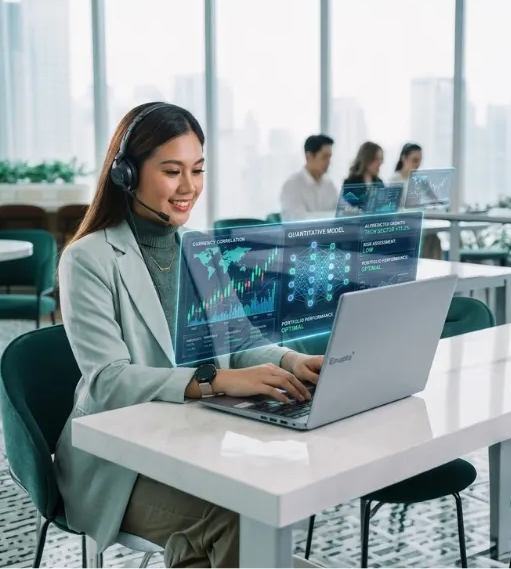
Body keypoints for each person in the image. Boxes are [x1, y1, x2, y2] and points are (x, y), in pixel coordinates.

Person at [57, 102, 324, 568]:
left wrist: (288, 362)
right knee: (238, 521)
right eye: (172, 171)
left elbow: (239, 339)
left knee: (264, 515)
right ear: (126, 174)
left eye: (198, 170)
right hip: (122, 466)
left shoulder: (199, 251)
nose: (189, 188)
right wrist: (213, 382)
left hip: (195, 443)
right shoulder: (88, 260)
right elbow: (107, 381)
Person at [279, 134, 338, 221]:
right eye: (324, 157)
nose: (329, 162)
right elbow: (298, 220)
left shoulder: (329, 184)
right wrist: (334, 216)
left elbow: (342, 211)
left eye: (330, 157)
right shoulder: (292, 185)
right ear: (308, 156)